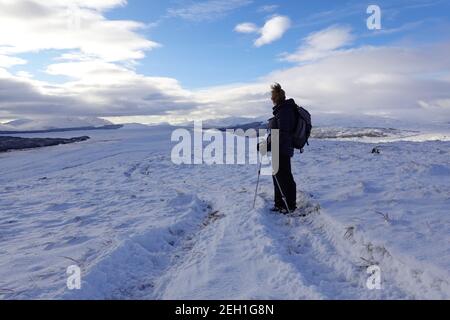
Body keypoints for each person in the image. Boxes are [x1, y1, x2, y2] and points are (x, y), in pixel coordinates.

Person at [263, 83, 298, 213]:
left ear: (276, 97)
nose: (271, 98)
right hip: (279, 148)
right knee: (278, 176)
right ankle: (279, 204)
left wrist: (268, 145)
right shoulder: (282, 110)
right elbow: (277, 132)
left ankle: (289, 205)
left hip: (282, 149)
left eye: (272, 95)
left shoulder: (284, 111)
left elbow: (282, 133)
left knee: (284, 177)